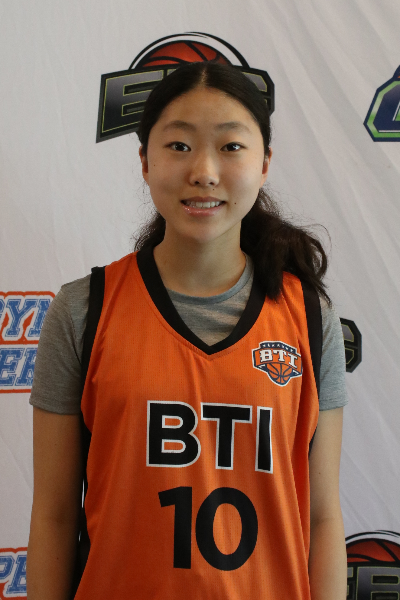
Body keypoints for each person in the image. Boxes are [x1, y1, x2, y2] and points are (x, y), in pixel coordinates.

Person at [26, 61, 348, 600]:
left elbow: (322, 517)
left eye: (231, 146)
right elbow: (54, 515)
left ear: (265, 163)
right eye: (178, 146)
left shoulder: (311, 319)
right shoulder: (84, 310)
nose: (204, 171)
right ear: (144, 161)